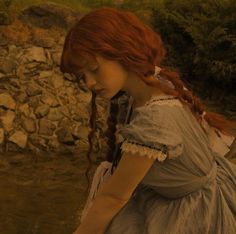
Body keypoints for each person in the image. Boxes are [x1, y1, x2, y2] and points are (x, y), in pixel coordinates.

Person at [60, 7, 236, 234]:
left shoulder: (154, 122)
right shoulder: (156, 81)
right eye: (83, 76)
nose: (90, 83)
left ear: (122, 51)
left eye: (94, 69)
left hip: (194, 213)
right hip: (183, 192)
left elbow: (113, 197)